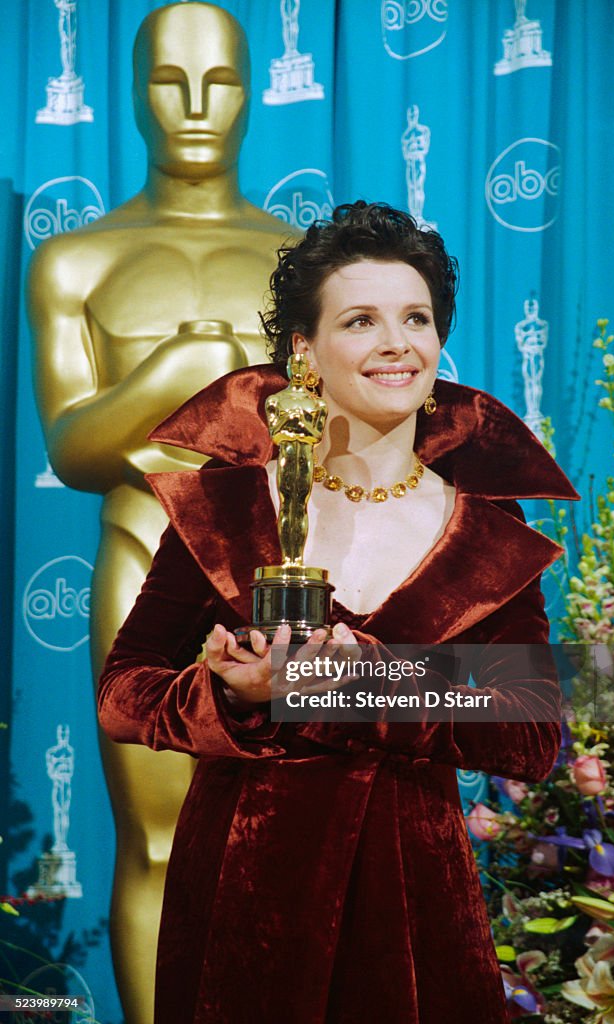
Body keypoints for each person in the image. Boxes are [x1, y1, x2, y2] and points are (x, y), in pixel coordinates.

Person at [98, 201, 578, 1023]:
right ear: (303, 350)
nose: (398, 342)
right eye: (360, 320)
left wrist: (364, 687)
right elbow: (123, 692)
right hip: (243, 893)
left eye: (416, 318)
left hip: (412, 898)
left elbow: (531, 727)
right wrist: (231, 694)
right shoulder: (228, 505)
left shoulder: (490, 524)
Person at [27, 5, 291, 1019]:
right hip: (146, 555)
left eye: (217, 81)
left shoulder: (302, 256)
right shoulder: (75, 261)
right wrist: (184, 370)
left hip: (287, 570)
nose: (192, 106)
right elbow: (75, 447)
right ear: (133, 91)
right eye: (167, 81)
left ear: (251, 91)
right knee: (158, 837)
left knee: (292, 831)